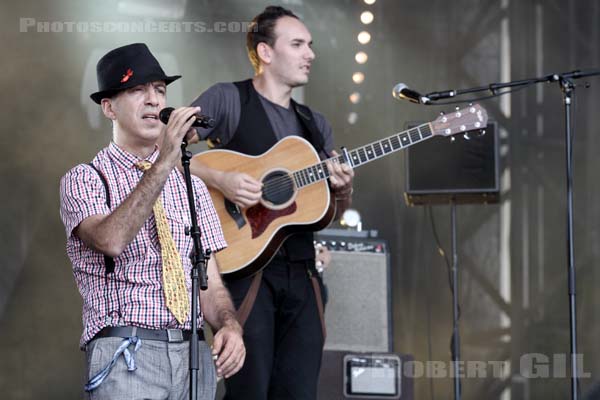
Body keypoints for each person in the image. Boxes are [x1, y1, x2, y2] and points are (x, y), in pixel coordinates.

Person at [59, 43, 245, 400]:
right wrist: (164, 161)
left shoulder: (192, 186)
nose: (153, 100)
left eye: (159, 90)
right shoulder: (85, 178)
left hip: (192, 353)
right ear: (108, 107)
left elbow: (210, 283)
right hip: (127, 351)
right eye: (137, 89)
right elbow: (112, 239)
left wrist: (230, 325)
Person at [189, 6, 354, 400]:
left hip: (302, 274)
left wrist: (343, 190)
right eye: (297, 44)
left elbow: (325, 214)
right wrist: (220, 178)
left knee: (299, 392)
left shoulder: (316, 125)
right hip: (245, 273)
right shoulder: (228, 99)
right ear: (265, 52)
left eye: (310, 45)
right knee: (249, 392)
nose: (310, 54)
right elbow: (163, 151)